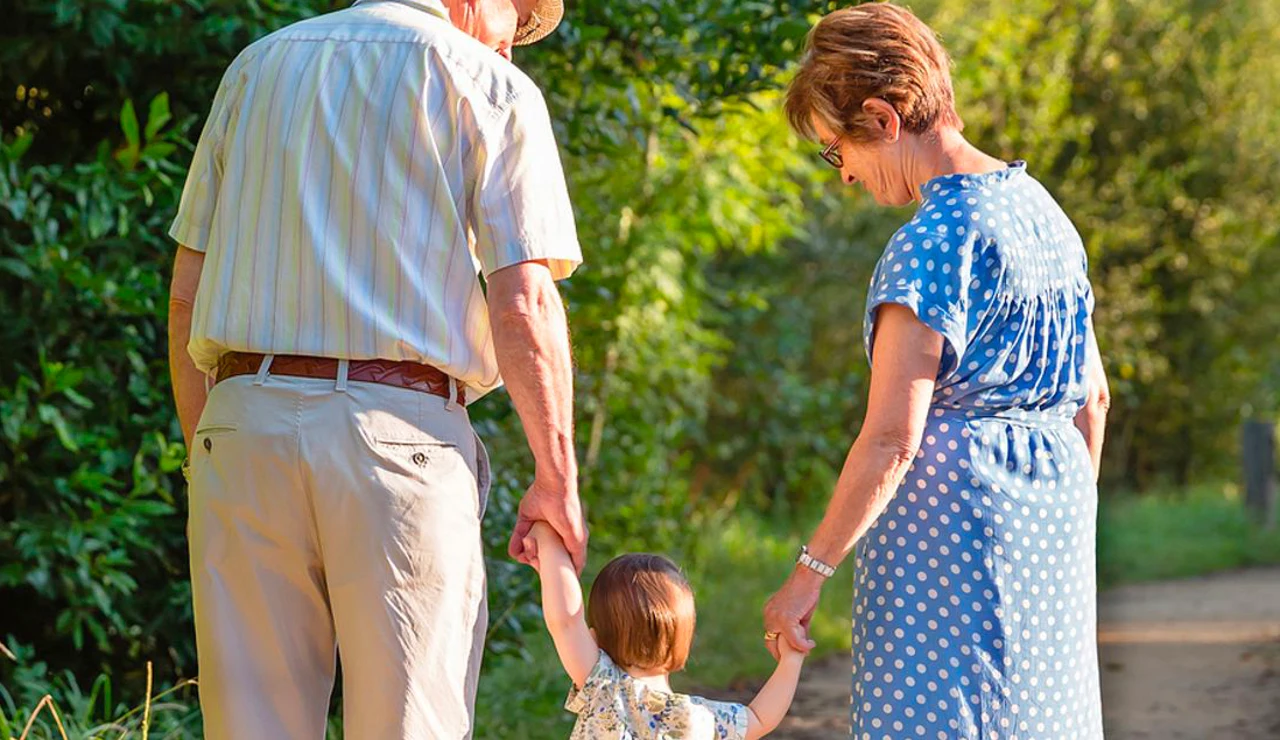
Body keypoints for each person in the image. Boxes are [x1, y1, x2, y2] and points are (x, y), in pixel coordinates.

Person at [165, 0, 584, 736]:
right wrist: (556, 479)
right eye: (511, 20)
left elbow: (185, 293)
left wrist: (210, 452)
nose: (511, 45)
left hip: (238, 426)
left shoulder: (255, 67)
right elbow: (524, 302)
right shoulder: (486, 86)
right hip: (400, 439)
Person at [761, 4, 1111, 738]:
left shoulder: (932, 243)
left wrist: (808, 575)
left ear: (884, 120)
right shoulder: (1044, 212)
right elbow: (1094, 400)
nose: (846, 176)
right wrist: (1061, 521)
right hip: (1054, 526)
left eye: (836, 151)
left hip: (946, 542)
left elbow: (892, 439)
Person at [521, 522, 805, 739]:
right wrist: (792, 657)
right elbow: (759, 718)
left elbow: (566, 619)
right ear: (684, 640)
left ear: (595, 639)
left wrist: (548, 537)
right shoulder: (704, 718)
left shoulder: (605, 687)